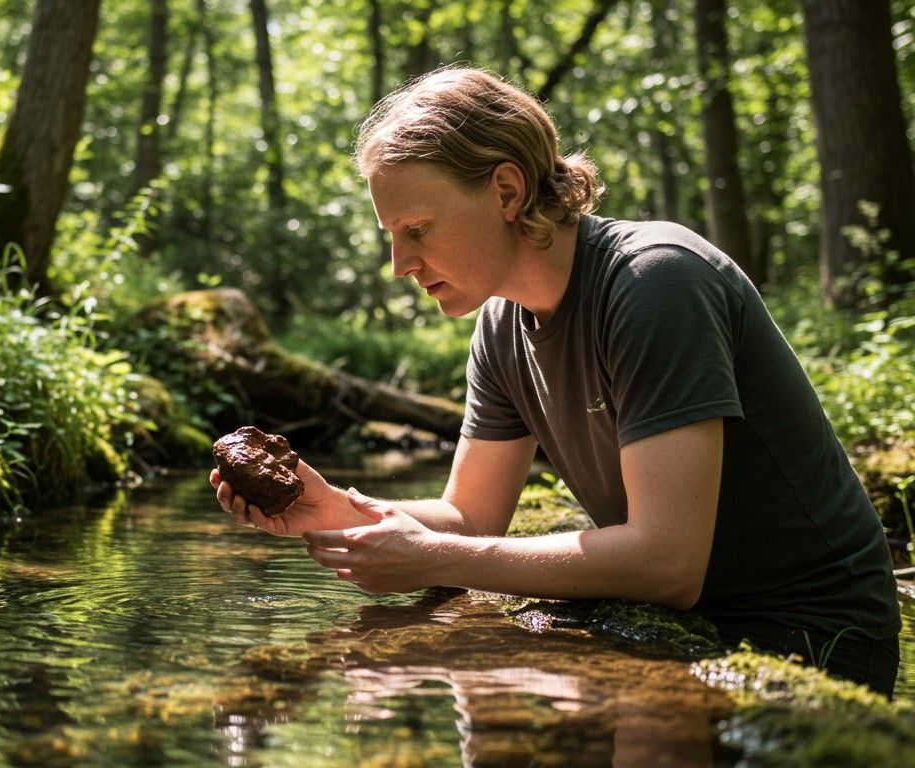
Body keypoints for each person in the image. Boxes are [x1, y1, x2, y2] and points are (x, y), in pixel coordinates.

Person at [209, 66, 901, 695]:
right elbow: (472, 519)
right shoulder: (501, 328)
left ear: (506, 190)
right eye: (392, 234)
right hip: (674, 625)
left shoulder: (655, 282)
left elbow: (667, 563)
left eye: (416, 229)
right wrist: (329, 510)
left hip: (809, 642)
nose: (399, 263)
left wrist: (431, 559)